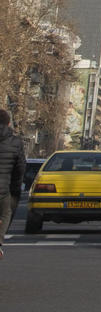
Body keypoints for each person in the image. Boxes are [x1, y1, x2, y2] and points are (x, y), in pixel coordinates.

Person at [0, 108, 24, 259]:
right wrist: (15, 189)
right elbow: (20, 168)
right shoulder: (15, 142)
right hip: (2, 190)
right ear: (9, 123)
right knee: (6, 212)